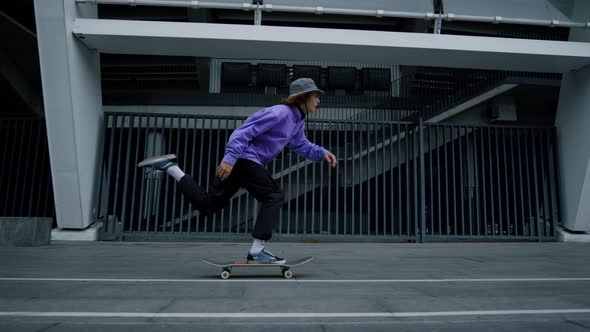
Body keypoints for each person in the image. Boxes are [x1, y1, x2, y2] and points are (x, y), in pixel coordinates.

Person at [138, 78, 337, 264]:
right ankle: (257, 251)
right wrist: (230, 158)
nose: (318, 100)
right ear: (303, 97)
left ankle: (172, 169)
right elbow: (243, 131)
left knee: (208, 206)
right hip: (244, 160)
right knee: (274, 195)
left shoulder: (296, 122)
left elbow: (301, 145)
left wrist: (322, 153)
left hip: (243, 164)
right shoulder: (280, 113)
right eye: (315, 96)